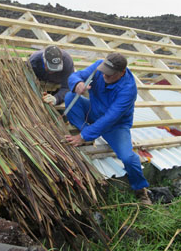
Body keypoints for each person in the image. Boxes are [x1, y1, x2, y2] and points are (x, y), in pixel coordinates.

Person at [64, 52, 152, 205]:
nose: (104, 76)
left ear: (122, 73)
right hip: (94, 110)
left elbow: (110, 118)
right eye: (103, 72)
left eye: (110, 75)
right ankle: (85, 130)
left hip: (115, 125)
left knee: (128, 158)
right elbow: (76, 75)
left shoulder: (128, 89)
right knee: (70, 98)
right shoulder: (99, 66)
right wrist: (77, 83)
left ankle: (140, 190)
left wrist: (84, 135)